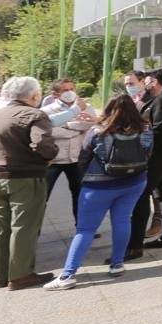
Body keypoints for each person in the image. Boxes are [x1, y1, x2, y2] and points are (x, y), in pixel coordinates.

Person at [43, 94, 153, 290]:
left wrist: (85, 178)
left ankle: (68, 274)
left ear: (108, 109)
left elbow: (83, 157)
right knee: (122, 221)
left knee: (85, 229)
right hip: (134, 182)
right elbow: (147, 153)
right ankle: (117, 264)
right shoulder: (145, 129)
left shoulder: (98, 131)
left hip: (98, 186)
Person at [0, 76, 58, 290]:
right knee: (24, 226)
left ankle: (2, 275)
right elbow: (44, 145)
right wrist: (49, 157)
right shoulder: (34, 114)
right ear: (34, 96)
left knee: (2, 226)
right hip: (26, 176)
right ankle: (21, 275)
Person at [127, 68, 162, 258]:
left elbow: (159, 131)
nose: (146, 84)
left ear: (156, 81)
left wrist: (141, 146)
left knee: (142, 194)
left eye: (149, 80)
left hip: (159, 156)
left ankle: (135, 245)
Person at [42, 79, 96, 233]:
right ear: (55, 94)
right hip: (54, 160)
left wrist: (65, 124)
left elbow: (90, 126)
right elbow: (50, 131)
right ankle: (35, 230)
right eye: (66, 90)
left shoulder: (86, 107)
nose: (70, 92)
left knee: (81, 196)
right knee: (42, 197)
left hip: (78, 158)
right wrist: (76, 128)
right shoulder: (47, 111)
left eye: (72, 88)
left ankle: (83, 228)